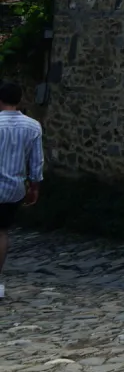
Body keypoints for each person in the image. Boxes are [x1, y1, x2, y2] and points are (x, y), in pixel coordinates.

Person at [0, 81, 44, 300]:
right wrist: (34, 187)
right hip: (13, 188)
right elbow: (37, 162)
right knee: (2, 232)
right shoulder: (33, 126)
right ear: (19, 100)